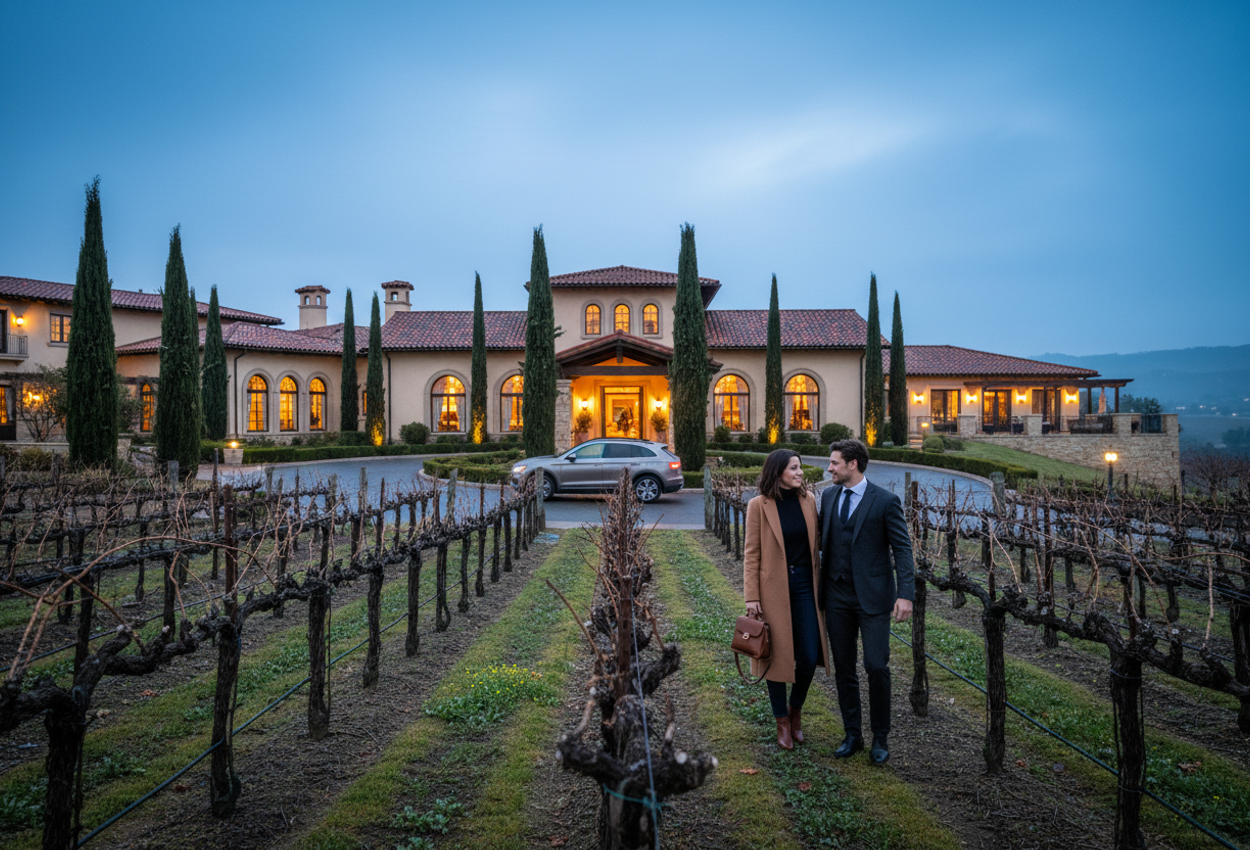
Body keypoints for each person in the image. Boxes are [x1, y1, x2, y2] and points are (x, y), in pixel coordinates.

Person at [818, 438, 914, 765]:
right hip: (836, 596)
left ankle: (881, 737)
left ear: (852, 464)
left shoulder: (885, 501)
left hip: (873, 597)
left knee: (876, 665)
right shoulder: (829, 496)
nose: (828, 468)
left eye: (834, 463)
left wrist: (905, 594)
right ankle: (853, 734)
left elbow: (902, 550)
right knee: (844, 667)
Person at [743, 449, 829, 750]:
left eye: (800, 467)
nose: (800, 473)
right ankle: (781, 721)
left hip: (806, 584)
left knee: (807, 653)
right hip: (772, 589)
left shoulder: (809, 501)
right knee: (774, 655)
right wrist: (751, 597)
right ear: (778, 471)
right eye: (794, 468)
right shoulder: (759, 505)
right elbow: (751, 553)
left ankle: (796, 711)